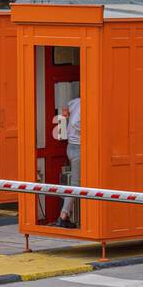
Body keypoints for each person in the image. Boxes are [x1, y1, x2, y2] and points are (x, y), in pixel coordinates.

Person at [54, 95, 81, 227]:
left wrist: (63, 132)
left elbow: (63, 113)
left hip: (70, 146)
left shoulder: (74, 102)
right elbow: (76, 123)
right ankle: (63, 217)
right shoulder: (85, 105)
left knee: (76, 182)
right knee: (75, 185)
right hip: (79, 149)